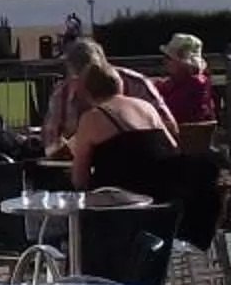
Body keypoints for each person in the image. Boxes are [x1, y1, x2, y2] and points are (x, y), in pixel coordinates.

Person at [65, 61, 182, 193]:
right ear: (120, 84)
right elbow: (173, 148)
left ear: (86, 92)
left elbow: (79, 180)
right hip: (163, 193)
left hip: (120, 201)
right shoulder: (146, 107)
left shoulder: (92, 118)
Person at [42, 37, 163, 151]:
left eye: (92, 77)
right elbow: (51, 142)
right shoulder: (61, 95)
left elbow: (169, 128)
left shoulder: (138, 85)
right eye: (78, 79)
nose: (86, 86)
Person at [155, 33, 218, 127]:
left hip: (184, 137)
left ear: (183, 63)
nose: (164, 61)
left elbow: (167, 110)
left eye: (168, 58)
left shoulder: (196, 84)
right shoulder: (183, 80)